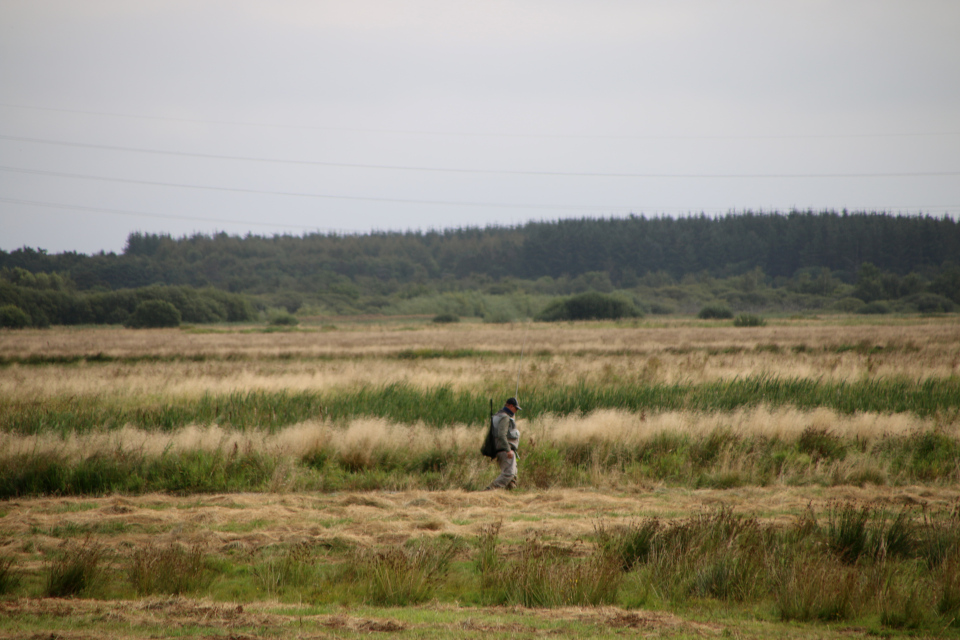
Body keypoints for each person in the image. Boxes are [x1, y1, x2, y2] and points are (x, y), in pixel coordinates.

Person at [484, 397, 521, 490]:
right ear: (511, 406)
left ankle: (511, 494)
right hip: (505, 449)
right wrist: (508, 450)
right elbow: (501, 435)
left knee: (513, 475)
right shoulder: (505, 417)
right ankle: (490, 489)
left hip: (500, 448)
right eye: (515, 408)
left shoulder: (498, 415)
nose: (516, 411)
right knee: (509, 473)